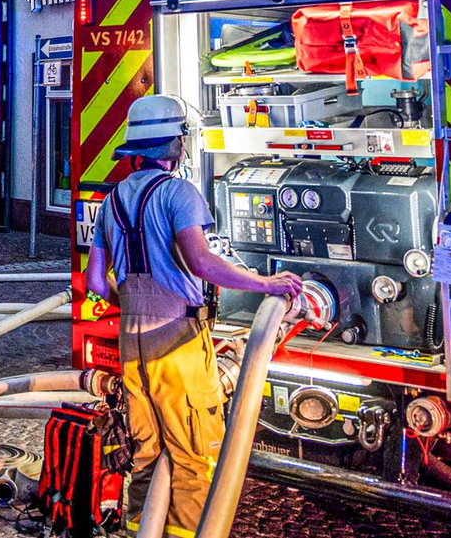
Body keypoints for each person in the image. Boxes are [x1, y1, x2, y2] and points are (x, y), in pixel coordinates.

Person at [85, 95, 302, 538]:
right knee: (194, 455)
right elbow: (202, 263)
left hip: (133, 344)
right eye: (181, 139)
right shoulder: (179, 193)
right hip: (178, 342)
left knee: (145, 451)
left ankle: (135, 529)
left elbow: (95, 282)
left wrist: (134, 301)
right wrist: (266, 284)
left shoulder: (113, 202)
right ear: (172, 146)